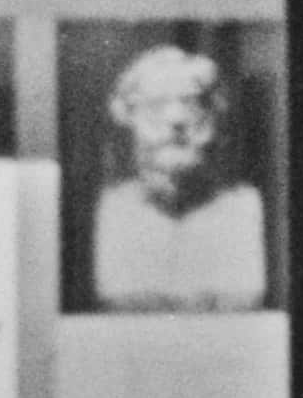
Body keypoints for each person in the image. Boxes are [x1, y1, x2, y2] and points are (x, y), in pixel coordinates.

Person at [88, 37, 267, 310]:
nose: (176, 119)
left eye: (193, 103)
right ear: (128, 116)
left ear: (215, 116)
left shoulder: (242, 205)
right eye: (156, 105)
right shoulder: (115, 206)